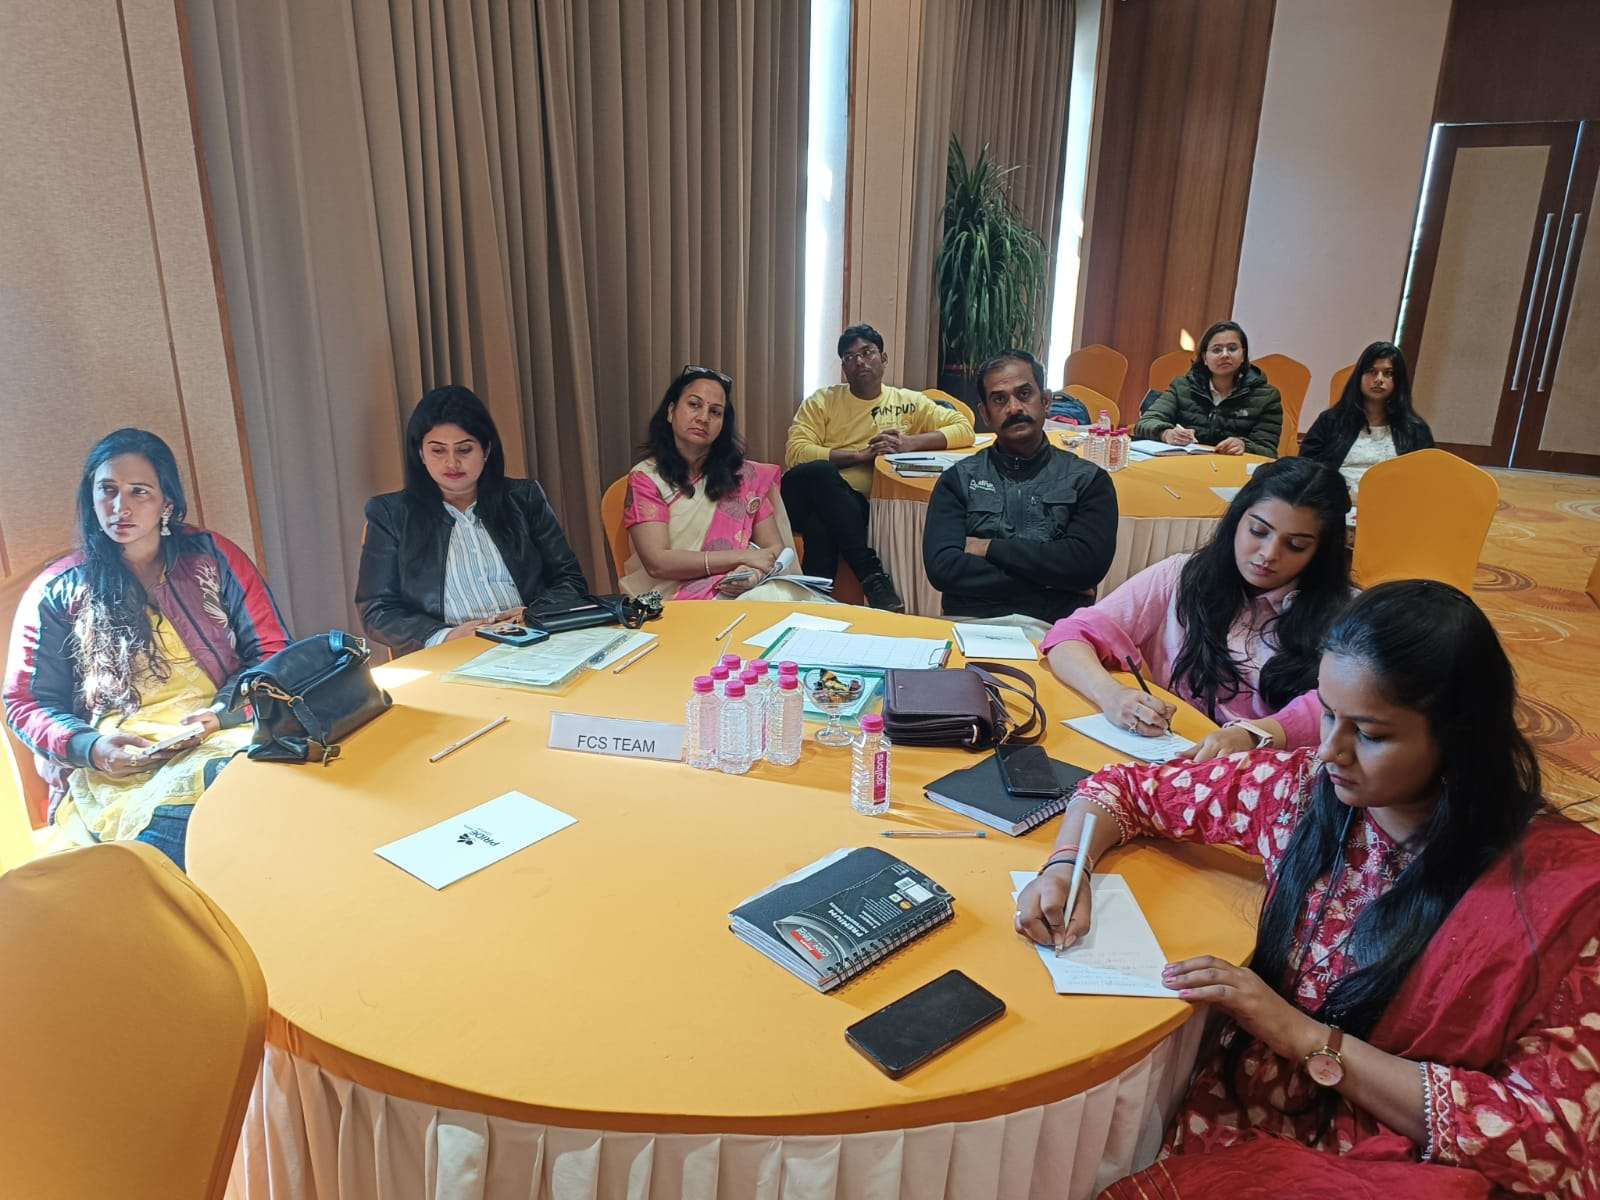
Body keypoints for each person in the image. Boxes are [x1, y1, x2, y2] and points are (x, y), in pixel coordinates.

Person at [1017, 581, 1600, 1198]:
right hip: (1255, 1102)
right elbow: (1124, 790)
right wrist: (1065, 868)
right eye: (1325, 712)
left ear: (1458, 737)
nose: (1327, 751)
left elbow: (1551, 1140)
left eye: (1370, 734)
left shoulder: (1560, 897)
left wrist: (1301, 1035)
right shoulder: (1298, 792)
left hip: (1398, 1155)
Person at [3, 429, 291, 869]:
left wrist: (223, 714)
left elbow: (272, 652)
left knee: (265, 795)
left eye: (140, 492)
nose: (121, 508)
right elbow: (24, 703)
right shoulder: (59, 589)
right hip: (121, 762)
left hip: (221, 728)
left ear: (167, 503)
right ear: (91, 498)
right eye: (108, 491)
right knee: (171, 839)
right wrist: (93, 747)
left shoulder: (213, 559)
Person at [1042, 457, 1352, 755]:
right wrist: (1111, 695)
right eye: (1258, 531)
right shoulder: (1182, 575)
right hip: (1164, 753)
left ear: (1321, 553)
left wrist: (1253, 734)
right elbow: (1070, 635)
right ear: (1236, 519)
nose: (1269, 553)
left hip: (1255, 776)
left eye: (1295, 545)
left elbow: (1337, 707)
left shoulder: (1344, 615)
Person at [356, 385, 589, 655]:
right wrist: (446, 635)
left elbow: (569, 579)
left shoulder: (523, 498)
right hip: (452, 653)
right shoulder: (391, 514)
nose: (452, 464)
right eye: (438, 451)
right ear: (421, 454)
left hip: (534, 640)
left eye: (464, 450)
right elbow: (377, 609)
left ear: (486, 450)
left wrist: (534, 614)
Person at [783, 323, 975, 610]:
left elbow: (965, 428)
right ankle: (871, 575)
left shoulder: (907, 402)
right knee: (820, 473)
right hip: (800, 496)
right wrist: (860, 456)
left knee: (822, 522)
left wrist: (911, 443)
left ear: (883, 359)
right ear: (844, 368)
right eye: (849, 357)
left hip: (855, 508)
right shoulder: (822, 401)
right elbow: (796, 453)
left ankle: (814, 604)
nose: (859, 361)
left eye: (867, 352)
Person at [923, 350, 1118, 625]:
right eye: (999, 399)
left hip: (1058, 631)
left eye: (1024, 393)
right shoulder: (958, 480)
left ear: (1046, 401)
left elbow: (1086, 566)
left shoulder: (1088, 481)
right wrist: (1057, 581)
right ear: (985, 414)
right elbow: (944, 569)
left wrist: (989, 548)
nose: (1014, 408)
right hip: (970, 625)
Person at [621, 366, 821, 602]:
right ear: (671, 411)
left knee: (780, 599)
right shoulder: (646, 478)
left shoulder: (742, 476)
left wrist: (753, 573)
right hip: (670, 596)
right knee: (770, 603)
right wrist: (740, 557)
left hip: (739, 588)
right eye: (694, 405)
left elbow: (774, 548)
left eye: (715, 412)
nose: (703, 418)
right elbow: (657, 563)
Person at [1299, 341, 1434, 498]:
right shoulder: (1331, 421)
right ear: (1359, 377)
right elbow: (1306, 467)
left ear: (1398, 381)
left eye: (1388, 373)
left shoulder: (1415, 429)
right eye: (1371, 371)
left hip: (1391, 510)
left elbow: (1426, 480)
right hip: (1334, 508)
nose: (1379, 379)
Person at [1134, 321, 1282, 457]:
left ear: (1243, 355)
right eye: (1217, 350)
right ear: (1205, 358)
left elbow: (1267, 450)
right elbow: (1145, 423)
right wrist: (1166, 433)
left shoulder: (1267, 396)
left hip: (1233, 471)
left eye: (1232, 348)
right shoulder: (1183, 387)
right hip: (1186, 466)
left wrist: (1244, 445)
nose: (1225, 355)